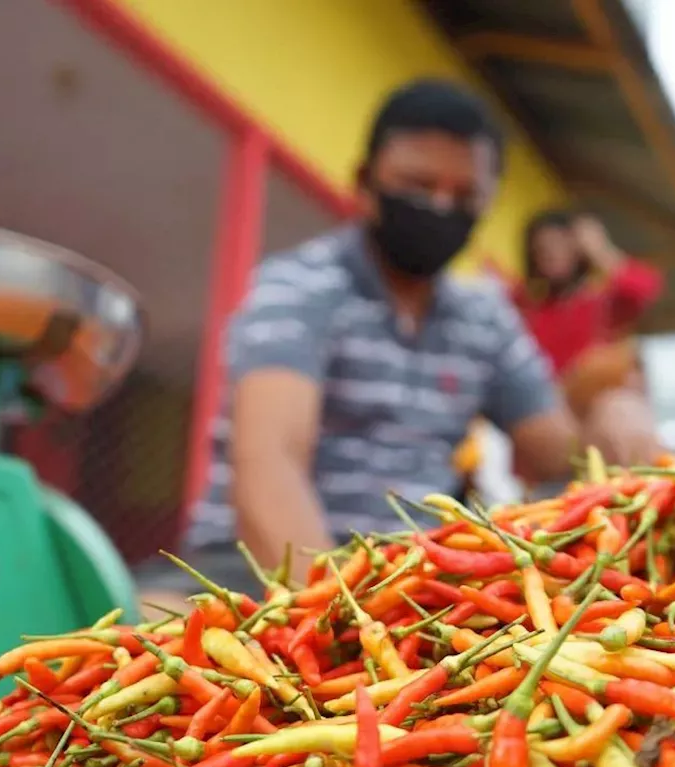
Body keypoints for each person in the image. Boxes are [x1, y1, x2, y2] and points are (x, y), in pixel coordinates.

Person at [173, 79, 624, 594]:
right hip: (258, 573)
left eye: (464, 196)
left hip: (413, 582)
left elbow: (560, 457)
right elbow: (268, 465)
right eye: (418, 185)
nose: (439, 206)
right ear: (366, 182)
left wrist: (609, 411)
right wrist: (338, 619)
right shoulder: (301, 287)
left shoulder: (486, 317)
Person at [515, 208, 665, 473]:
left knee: (621, 412)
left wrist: (600, 249)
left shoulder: (601, 301)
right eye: (542, 248)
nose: (550, 253)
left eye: (560, 244)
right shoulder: (529, 309)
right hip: (549, 427)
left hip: (598, 421)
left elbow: (643, 288)